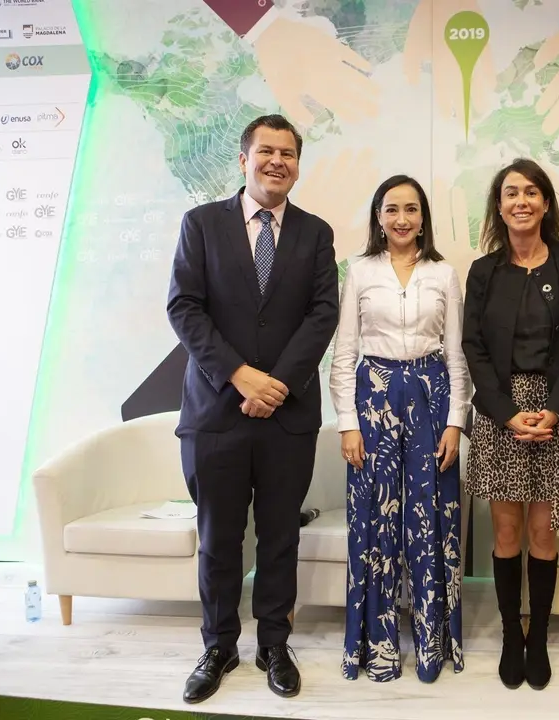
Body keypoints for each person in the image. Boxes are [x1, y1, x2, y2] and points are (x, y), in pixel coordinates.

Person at [166, 114, 339, 703]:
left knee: (279, 537)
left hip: (287, 416)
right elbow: (185, 308)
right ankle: (218, 645)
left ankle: (274, 644)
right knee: (218, 539)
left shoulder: (315, 234)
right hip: (216, 412)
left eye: (288, 153)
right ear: (244, 160)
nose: (277, 162)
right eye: (266, 151)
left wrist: (278, 385)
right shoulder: (201, 224)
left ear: (298, 165)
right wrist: (239, 376)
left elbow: (322, 314)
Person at [330, 175, 470, 683]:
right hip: (374, 397)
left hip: (432, 397)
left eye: (411, 209)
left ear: (423, 218)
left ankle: (433, 646)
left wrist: (456, 422)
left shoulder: (444, 273)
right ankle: (378, 648)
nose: (402, 219)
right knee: (374, 521)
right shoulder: (360, 270)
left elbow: (456, 355)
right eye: (392, 209)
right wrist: (348, 424)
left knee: (430, 518)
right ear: (378, 217)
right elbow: (345, 352)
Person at [462, 158, 559, 691]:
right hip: (501, 413)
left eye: (531, 192)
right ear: (499, 206)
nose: (521, 201)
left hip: (555, 411)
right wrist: (504, 411)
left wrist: (554, 411)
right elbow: (473, 347)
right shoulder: (483, 271)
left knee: (542, 531)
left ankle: (539, 636)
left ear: (545, 203)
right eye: (511, 193)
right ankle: (511, 634)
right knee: (508, 531)